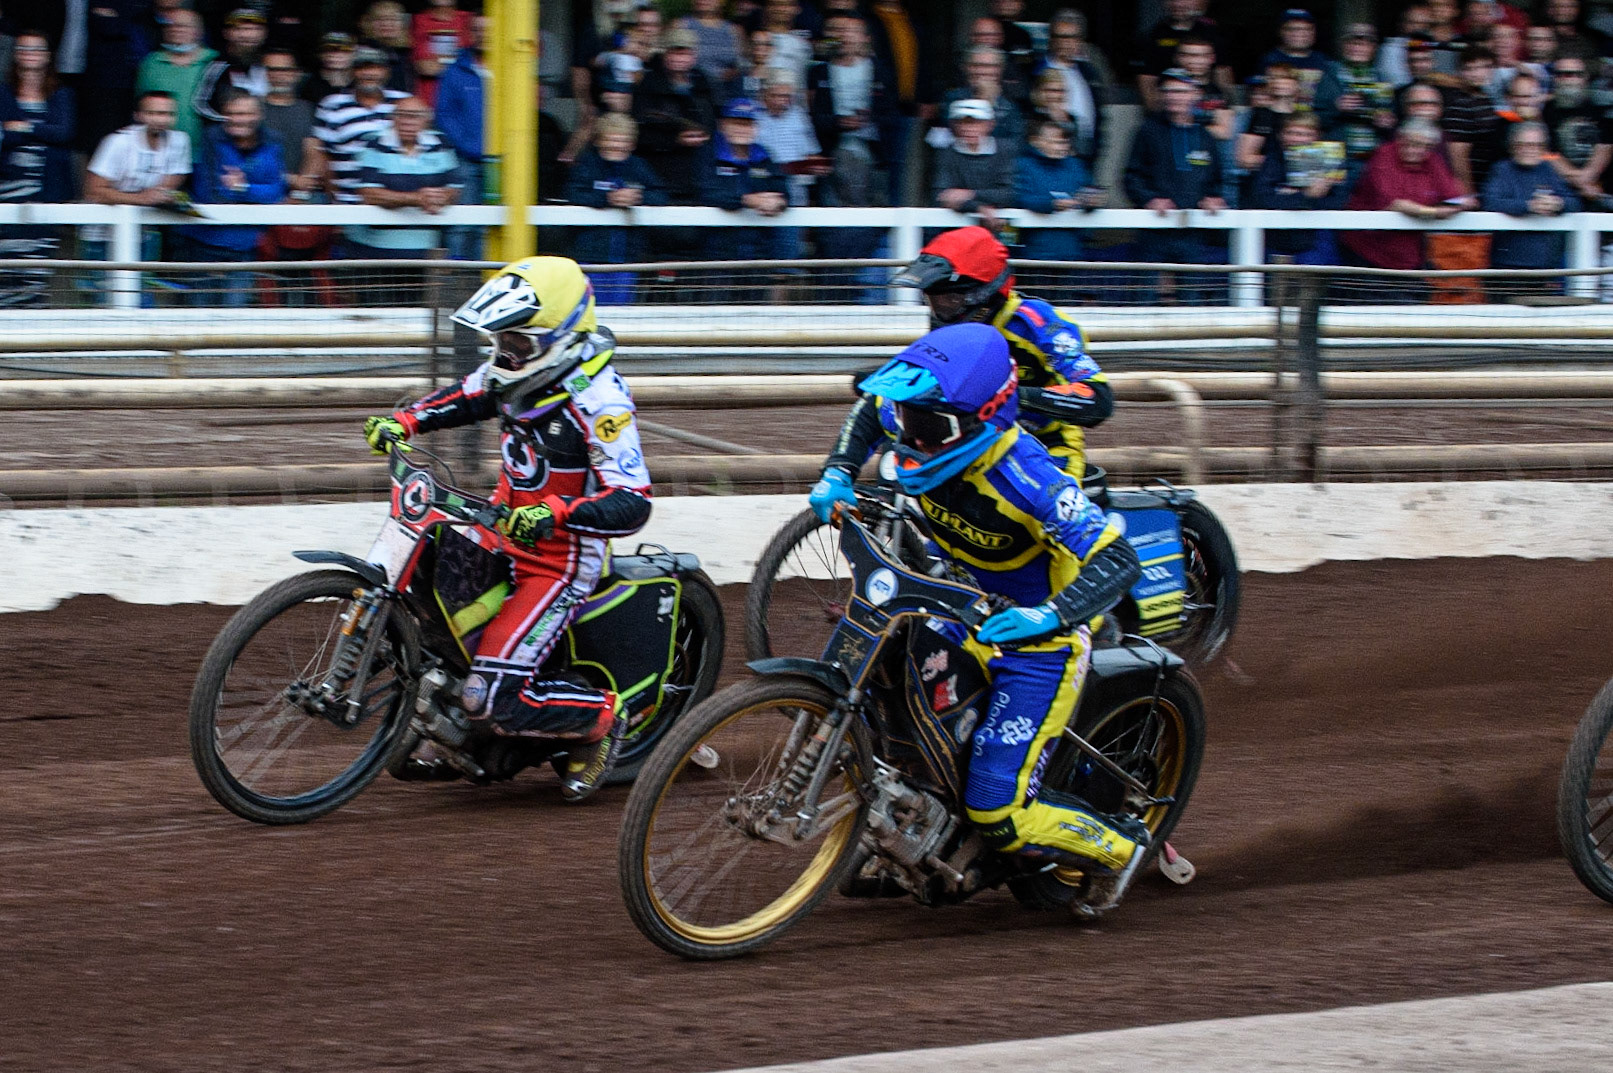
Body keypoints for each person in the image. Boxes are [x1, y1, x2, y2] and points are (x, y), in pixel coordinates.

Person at [809, 322, 1150, 919]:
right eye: (906, 416)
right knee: (883, 687)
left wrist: (1049, 615)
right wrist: (839, 469)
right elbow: (870, 410)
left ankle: (1119, 847)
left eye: (924, 426)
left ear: (983, 418)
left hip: (1040, 644)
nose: (907, 436)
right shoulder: (924, 418)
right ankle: (919, 825)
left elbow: (1120, 559)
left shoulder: (1029, 476)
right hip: (954, 604)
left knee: (998, 808)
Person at [362, 257, 652, 802]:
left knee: (486, 697)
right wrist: (405, 420)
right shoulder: (516, 371)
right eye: (500, 341)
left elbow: (633, 503)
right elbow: (470, 394)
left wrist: (560, 512)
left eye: (518, 343)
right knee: (430, 589)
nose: (505, 354)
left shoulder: (600, 399)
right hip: (501, 528)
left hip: (559, 561)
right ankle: (452, 719)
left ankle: (603, 719)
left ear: (560, 337)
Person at [838, 224, 1111, 477]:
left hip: (1045, 445)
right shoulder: (952, 324)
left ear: (983, 296)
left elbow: (1096, 397)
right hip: (971, 439)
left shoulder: (1038, 324)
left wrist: (1009, 397)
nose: (940, 311)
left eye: (949, 300)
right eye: (933, 300)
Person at [1124, 69, 1228, 292]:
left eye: (1180, 91)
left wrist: (1214, 198)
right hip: (1155, 229)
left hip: (1193, 230)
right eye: (1168, 91)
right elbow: (1131, 177)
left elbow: (1217, 181)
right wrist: (1150, 200)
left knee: (1192, 297)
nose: (1173, 96)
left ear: (1195, 94)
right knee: (1146, 295)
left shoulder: (1205, 136)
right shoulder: (1147, 131)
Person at [180, 92, 285, 307]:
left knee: (235, 315)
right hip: (205, 244)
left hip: (245, 246)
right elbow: (211, 194)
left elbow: (276, 192)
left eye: (245, 113)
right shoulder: (211, 138)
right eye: (232, 114)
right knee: (198, 314)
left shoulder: (273, 141)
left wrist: (243, 187)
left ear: (258, 115)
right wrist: (255, 192)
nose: (238, 119)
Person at [350, 96, 462, 294]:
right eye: (402, 115)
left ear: (426, 119)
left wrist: (443, 197)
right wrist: (416, 198)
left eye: (415, 116)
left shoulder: (440, 143)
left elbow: (455, 187)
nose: (408, 121)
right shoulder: (375, 144)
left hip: (426, 251)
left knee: (423, 316)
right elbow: (368, 193)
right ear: (393, 118)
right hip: (376, 252)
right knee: (377, 316)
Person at [0, 30, 75, 307]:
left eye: (37, 49)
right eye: (24, 48)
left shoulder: (62, 95)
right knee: (6, 270)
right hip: (6, 192)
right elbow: (3, 137)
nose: (30, 54)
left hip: (45, 190)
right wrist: (41, 132)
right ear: (16, 54)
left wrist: (24, 127)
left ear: (47, 56)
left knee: (36, 269)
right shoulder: (3, 93)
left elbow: (65, 133)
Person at [1343, 119, 1474, 273]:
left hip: (1409, 253)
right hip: (1368, 248)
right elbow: (1395, 203)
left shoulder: (1432, 159)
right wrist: (1436, 212)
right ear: (1400, 138)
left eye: (1425, 146)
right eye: (1411, 144)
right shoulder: (1384, 155)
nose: (1416, 150)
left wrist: (1456, 204)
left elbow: (1458, 198)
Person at [564, 113, 668, 305]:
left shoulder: (639, 166)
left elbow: (661, 196)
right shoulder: (587, 164)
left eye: (624, 141)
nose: (618, 146)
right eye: (612, 140)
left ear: (632, 143)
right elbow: (573, 195)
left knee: (622, 313)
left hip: (627, 257)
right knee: (589, 310)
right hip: (590, 256)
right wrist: (607, 198)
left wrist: (638, 196)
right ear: (599, 141)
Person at [1248, 110, 1347, 264]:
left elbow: (1339, 202)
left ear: (1317, 137)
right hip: (1276, 242)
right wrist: (1306, 196)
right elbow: (1261, 198)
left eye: (1306, 134)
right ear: (1281, 135)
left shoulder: (1331, 162)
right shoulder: (1272, 162)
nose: (1298, 139)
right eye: (1292, 133)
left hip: (1315, 242)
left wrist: (1291, 197)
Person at [313, 46, 410, 204]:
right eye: (362, 67)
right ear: (352, 72)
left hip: (399, 204)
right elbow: (324, 156)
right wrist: (334, 202)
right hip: (349, 203)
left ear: (387, 72)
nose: (369, 73)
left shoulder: (403, 102)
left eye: (376, 67)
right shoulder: (332, 105)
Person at [1482, 120, 1580, 271]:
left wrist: (1557, 204)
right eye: (1523, 144)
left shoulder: (1548, 170)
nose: (1530, 150)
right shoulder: (1502, 170)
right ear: (1512, 146)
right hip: (1508, 263)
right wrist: (1529, 206)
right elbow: (1490, 202)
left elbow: (1574, 202)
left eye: (1536, 145)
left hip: (1545, 263)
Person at [1014, 118, 1101, 269]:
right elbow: (1020, 198)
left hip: (1072, 251)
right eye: (1055, 142)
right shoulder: (1024, 165)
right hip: (1036, 252)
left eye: (1064, 142)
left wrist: (1093, 202)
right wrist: (1052, 204)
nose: (1061, 147)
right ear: (1036, 141)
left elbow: (1089, 191)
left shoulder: (1076, 166)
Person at [133, 8, 216, 156]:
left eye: (182, 26)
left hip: (205, 152)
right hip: (160, 151)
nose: (175, 29)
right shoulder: (151, 63)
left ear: (198, 31)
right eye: (170, 26)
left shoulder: (214, 61)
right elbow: (141, 103)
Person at [1037, 8, 1103, 170]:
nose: (1067, 42)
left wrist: (1097, 151)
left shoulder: (1089, 72)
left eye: (1073, 37)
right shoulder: (1037, 71)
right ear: (1052, 39)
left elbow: (1100, 114)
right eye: (1061, 37)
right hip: (1048, 158)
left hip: (1086, 156)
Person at [931, 98, 1013, 222]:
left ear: (990, 124)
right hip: (957, 228)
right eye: (963, 123)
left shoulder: (1004, 151)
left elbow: (1009, 194)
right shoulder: (947, 153)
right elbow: (943, 196)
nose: (968, 128)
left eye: (976, 122)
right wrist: (979, 207)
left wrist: (970, 194)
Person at [1542, 56, 1611, 198]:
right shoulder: (1545, 112)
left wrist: (1589, 176)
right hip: (1559, 187)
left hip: (1599, 185)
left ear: (1584, 77)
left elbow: (1606, 146)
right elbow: (1547, 152)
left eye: (1575, 74)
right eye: (1562, 74)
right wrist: (1581, 182)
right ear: (1555, 78)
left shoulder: (1598, 106)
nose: (1569, 79)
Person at [195, 8, 269, 127]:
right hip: (227, 140)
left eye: (255, 29)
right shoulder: (218, 66)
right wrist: (232, 122)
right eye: (241, 29)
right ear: (227, 33)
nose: (247, 35)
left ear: (264, 33)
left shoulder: (271, 65)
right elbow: (200, 105)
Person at [410, 0, 472, 106]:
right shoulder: (420, 20)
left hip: (464, 100)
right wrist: (461, 66)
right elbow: (426, 67)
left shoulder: (468, 20)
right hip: (431, 100)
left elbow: (476, 65)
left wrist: (440, 65)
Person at [302, 32, 356, 105]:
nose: (336, 55)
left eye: (344, 50)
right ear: (320, 54)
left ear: (353, 55)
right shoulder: (307, 84)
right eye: (329, 49)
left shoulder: (361, 83)